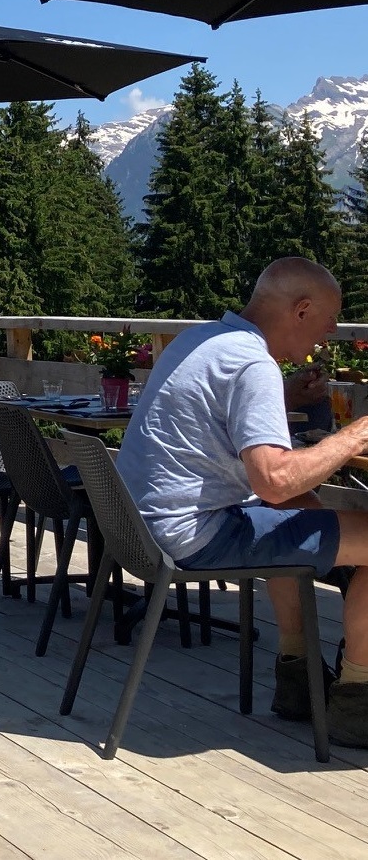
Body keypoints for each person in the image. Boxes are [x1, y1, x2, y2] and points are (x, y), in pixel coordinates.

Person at [117, 257, 368, 743]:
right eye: (329, 319)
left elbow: (225, 418)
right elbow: (275, 480)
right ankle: (357, 702)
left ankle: (299, 678)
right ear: (301, 310)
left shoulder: (203, 338)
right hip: (194, 538)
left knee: (296, 511)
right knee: (300, 507)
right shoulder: (253, 363)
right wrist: (353, 438)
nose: (333, 332)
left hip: (139, 528)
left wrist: (284, 396)